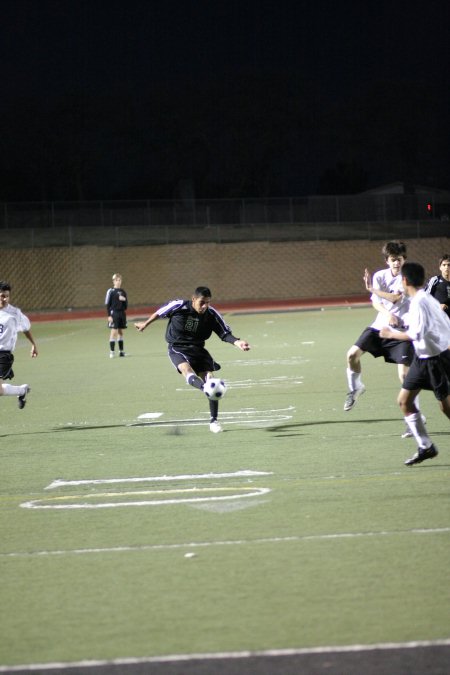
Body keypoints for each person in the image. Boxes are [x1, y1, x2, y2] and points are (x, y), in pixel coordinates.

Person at [134, 286, 250, 433]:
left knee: (211, 379)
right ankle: (205, 389)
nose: (205, 306)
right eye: (202, 302)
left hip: (198, 350)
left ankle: (214, 420)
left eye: (208, 302)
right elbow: (160, 312)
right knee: (186, 370)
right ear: (193, 299)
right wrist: (145, 324)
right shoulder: (179, 306)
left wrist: (237, 342)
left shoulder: (211, 314)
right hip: (177, 347)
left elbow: (224, 333)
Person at [380, 262, 450, 466]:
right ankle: (425, 446)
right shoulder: (424, 298)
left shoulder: (420, 302)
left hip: (435, 360)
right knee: (404, 401)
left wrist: (390, 334)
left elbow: (416, 334)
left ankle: (425, 446)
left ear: (404, 280)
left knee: (446, 407)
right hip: (423, 359)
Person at [344, 241, 415, 421]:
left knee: (405, 376)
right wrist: (387, 313)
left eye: (399, 259)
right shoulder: (379, 276)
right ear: (387, 261)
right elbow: (376, 302)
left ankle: (413, 416)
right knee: (352, 355)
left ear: (404, 260)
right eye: (393, 260)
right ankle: (355, 388)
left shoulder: (407, 276)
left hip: (401, 331)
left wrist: (372, 289)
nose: (396, 263)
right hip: (380, 327)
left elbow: (395, 298)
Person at [0, 281, 38, 408]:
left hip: (3, 356)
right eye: (1, 295)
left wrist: (33, 345)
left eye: (6, 296)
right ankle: (22, 390)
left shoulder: (15, 313)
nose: (4, 299)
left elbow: (26, 328)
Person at [105, 273, 128, 358]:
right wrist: (109, 315)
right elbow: (107, 304)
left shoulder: (123, 292)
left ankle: (121, 352)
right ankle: (112, 352)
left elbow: (126, 306)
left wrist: (124, 300)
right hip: (114, 313)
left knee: (120, 332)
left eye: (119, 280)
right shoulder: (110, 291)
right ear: (113, 281)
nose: (118, 282)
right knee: (113, 332)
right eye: (116, 280)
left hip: (122, 313)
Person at [425, 254, 450, 320]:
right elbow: (425, 298)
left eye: (449, 265)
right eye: (444, 265)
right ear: (440, 267)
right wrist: (437, 306)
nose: (446, 267)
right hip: (438, 318)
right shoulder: (435, 280)